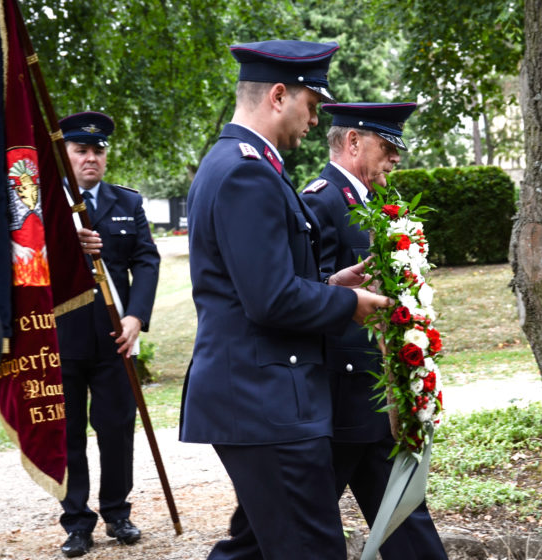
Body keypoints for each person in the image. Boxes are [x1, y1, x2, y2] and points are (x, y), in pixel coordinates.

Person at [179, 40, 392, 560]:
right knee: (311, 548)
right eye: (312, 106)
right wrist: (350, 306)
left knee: (254, 549)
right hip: (263, 400)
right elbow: (269, 300)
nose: (316, 122)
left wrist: (330, 286)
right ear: (278, 95)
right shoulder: (246, 171)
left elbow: (262, 282)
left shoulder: (241, 164)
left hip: (259, 395)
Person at [302, 102, 448, 559]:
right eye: (386, 147)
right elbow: (311, 292)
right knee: (296, 526)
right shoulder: (319, 201)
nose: (395, 158)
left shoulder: (376, 204)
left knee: (404, 513)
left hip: (376, 390)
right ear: (352, 142)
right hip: (341, 395)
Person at [54, 111, 160, 557]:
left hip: (117, 338)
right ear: (65, 155)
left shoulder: (127, 202)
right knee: (70, 431)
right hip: (62, 337)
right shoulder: (47, 210)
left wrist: (137, 317)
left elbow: (146, 261)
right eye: (81, 150)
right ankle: (77, 522)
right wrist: (62, 244)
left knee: (116, 427)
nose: (91, 158)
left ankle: (117, 511)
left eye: (98, 150)